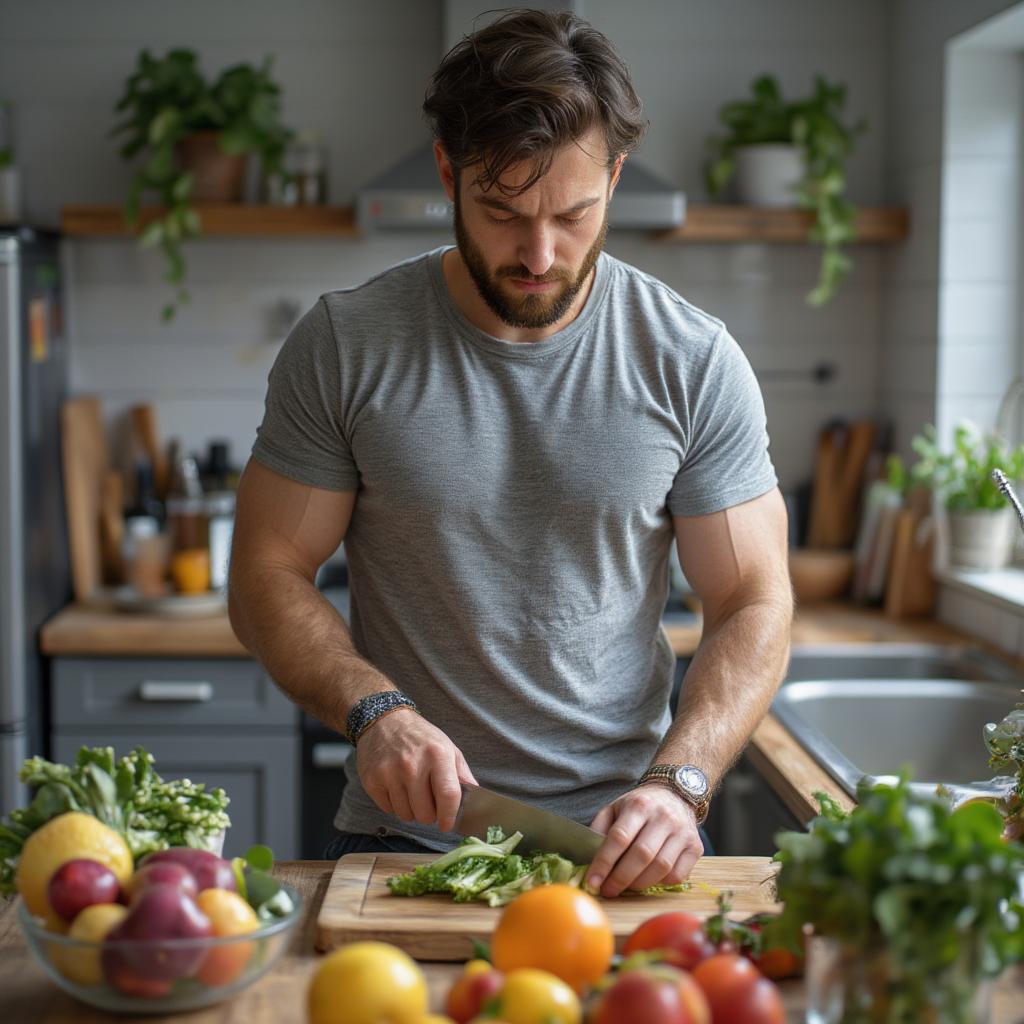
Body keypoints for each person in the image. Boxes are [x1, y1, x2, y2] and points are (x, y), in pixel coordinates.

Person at [228, 8, 792, 898]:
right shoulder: (347, 344)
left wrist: (680, 784)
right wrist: (375, 711)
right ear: (448, 173)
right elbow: (267, 568)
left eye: (573, 214)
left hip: (621, 850)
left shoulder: (691, 359)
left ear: (615, 175)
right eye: (501, 211)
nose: (539, 253)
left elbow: (753, 599)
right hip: (404, 847)